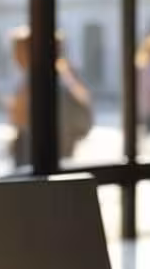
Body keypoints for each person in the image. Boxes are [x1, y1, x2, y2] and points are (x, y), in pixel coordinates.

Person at [9, 27, 93, 167]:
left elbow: (20, 119)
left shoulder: (43, 83)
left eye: (18, 50)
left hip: (40, 160)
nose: (15, 57)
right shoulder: (62, 79)